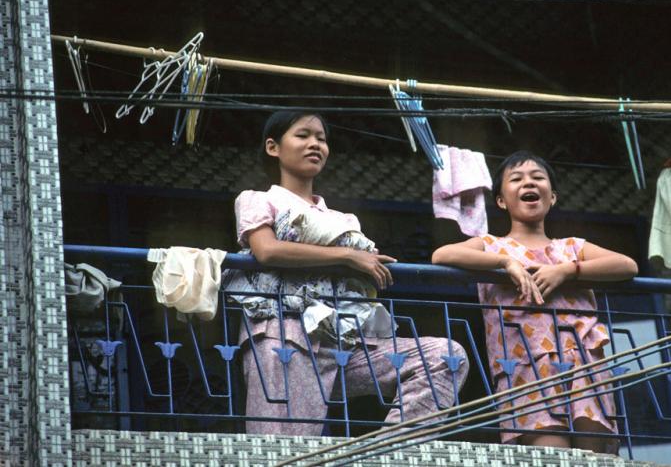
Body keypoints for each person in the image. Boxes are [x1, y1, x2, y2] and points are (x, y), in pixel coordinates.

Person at [230, 111, 468, 436]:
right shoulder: (259, 200)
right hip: (285, 335)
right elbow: (267, 250)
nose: (315, 144)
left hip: (344, 341)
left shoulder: (344, 220)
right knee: (283, 447)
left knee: (444, 355)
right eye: (303, 135)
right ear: (273, 147)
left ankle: (388, 453)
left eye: (322, 138)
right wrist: (347, 256)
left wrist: (362, 264)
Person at [432, 151, 637, 452]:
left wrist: (568, 271)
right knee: (549, 453)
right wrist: (504, 263)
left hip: (583, 363)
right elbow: (442, 255)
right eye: (516, 179)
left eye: (537, 177)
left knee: (594, 452)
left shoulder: (571, 248)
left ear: (552, 197)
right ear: (502, 201)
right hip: (526, 367)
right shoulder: (492, 246)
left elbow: (627, 266)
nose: (528, 182)